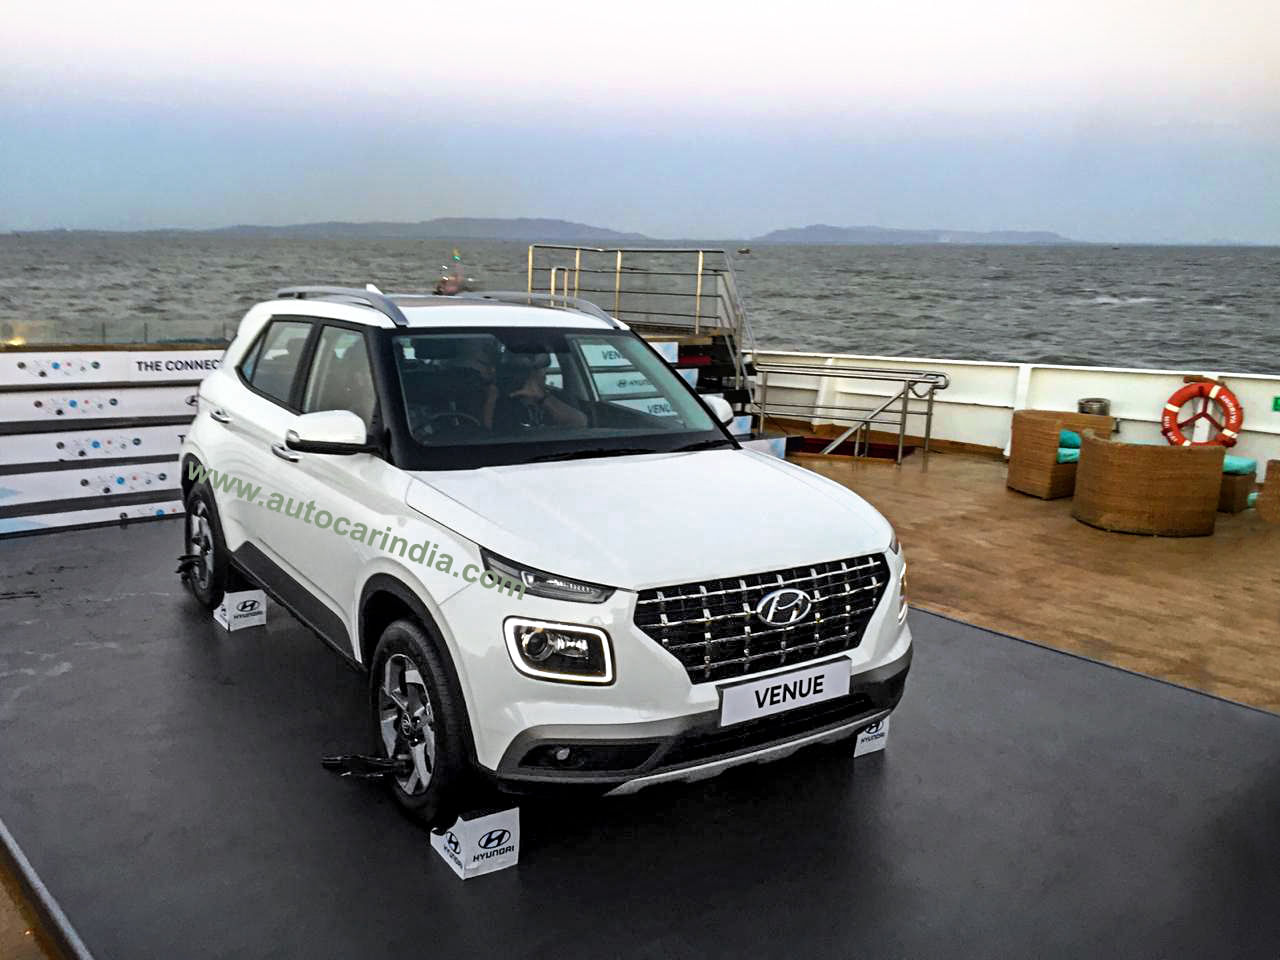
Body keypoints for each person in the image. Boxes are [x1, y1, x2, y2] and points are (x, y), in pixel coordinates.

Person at [495, 353, 587, 430]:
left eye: (536, 369)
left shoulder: (559, 397)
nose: (528, 376)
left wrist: (543, 397)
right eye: (519, 370)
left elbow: (580, 423)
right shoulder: (499, 400)